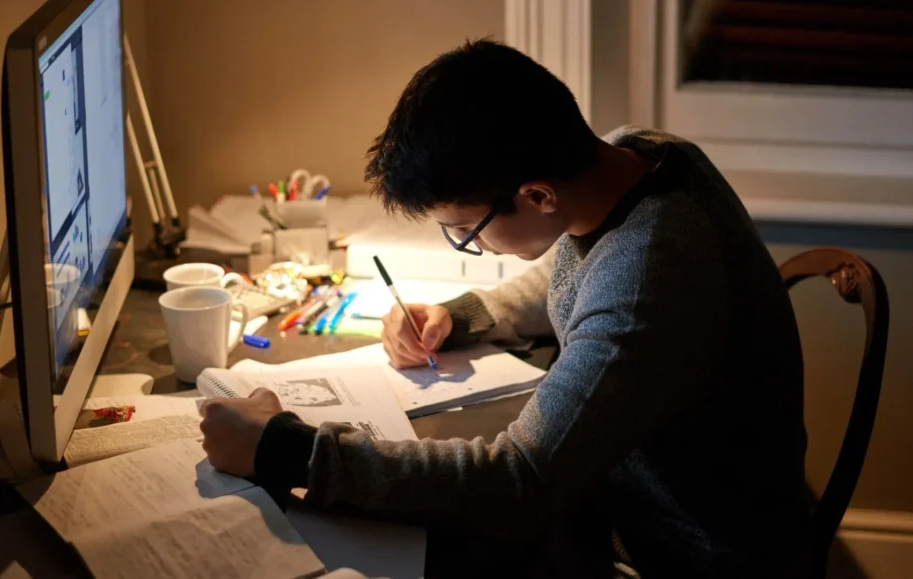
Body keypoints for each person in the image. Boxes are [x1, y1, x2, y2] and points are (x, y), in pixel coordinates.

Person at [200, 39, 809, 578]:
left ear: (537, 194)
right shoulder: (633, 156)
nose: (469, 245)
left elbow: (520, 482)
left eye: (465, 230)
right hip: (622, 498)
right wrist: (462, 315)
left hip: (676, 551)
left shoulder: (648, 274)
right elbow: (576, 267)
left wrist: (287, 449)